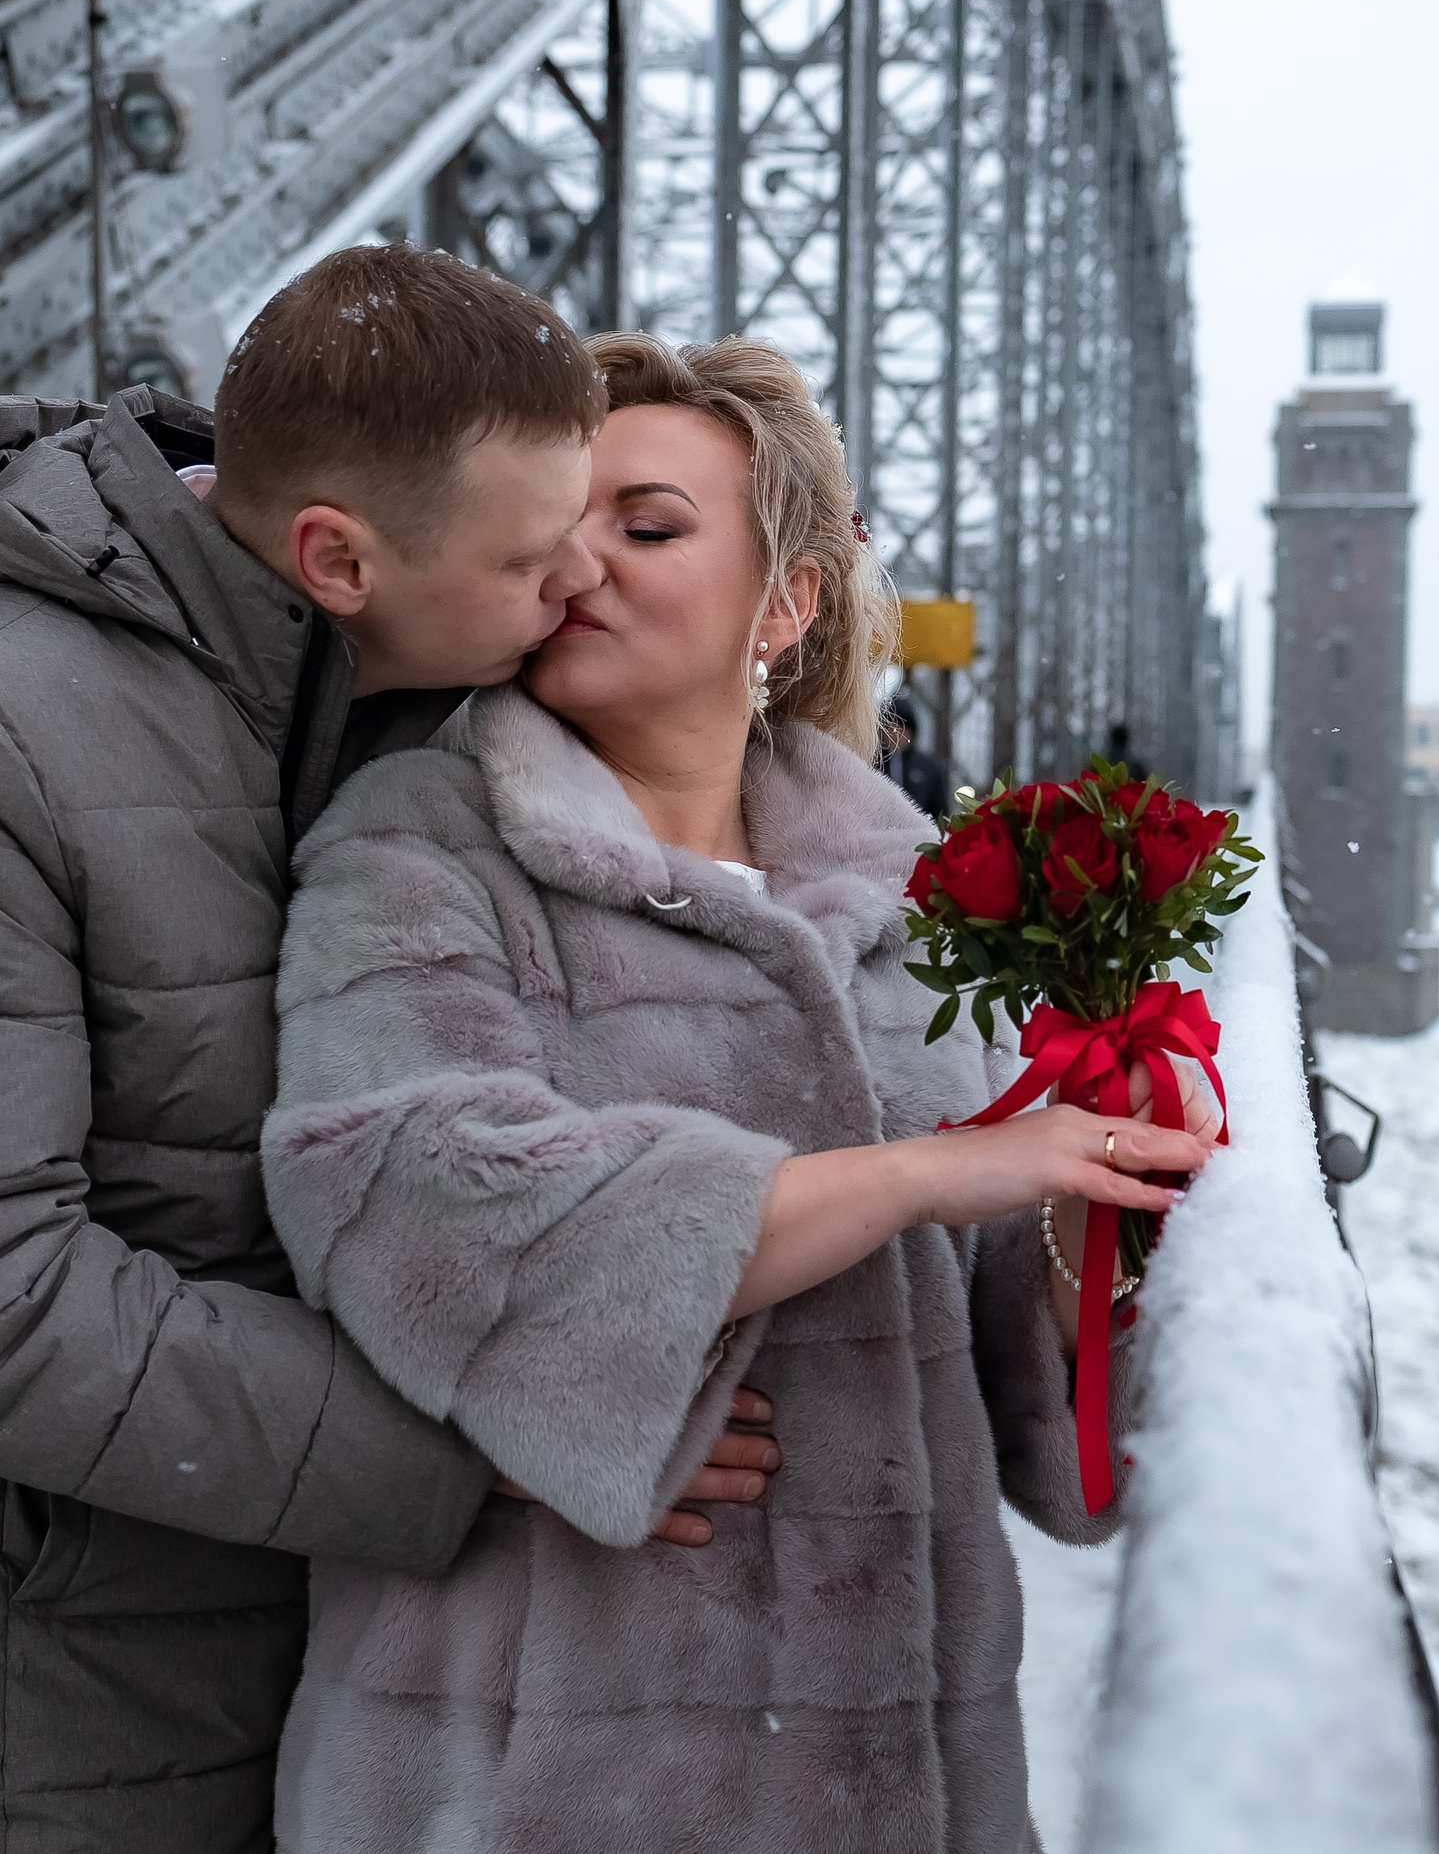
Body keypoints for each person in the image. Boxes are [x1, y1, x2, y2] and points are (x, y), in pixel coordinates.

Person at [0, 248, 778, 1853]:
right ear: (337, 557)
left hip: (354, 1695)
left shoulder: (419, 702)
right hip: (50, 1721)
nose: (577, 583)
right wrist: (474, 1431)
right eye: (534, 557)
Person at [261, 332, 1220, 1850]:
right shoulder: (421, 845)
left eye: (646, 526)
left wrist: (1104, 1209)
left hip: (900, 1779)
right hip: (543, 1777)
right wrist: (917, 1172)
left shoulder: (912, 905)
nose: (580, 561)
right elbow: (410, 1192)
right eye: (558, 523)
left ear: (786, 601)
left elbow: (1037, 1431)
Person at [883, 691, 955, 815]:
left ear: (912, 731)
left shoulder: (930, 767)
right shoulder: (870, 763)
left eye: (902, 726)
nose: (895, 732)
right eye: (890, 726)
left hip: (920, 831)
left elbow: (940, 812)